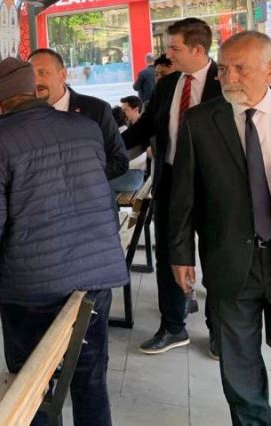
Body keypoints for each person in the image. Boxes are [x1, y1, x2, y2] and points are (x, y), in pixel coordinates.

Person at [0, 57, 128, 426]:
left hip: (32, 284)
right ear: (35, 90)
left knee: (32, 383)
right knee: (90, 378)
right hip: (95, 276)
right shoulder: (85, 128)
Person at [170, 30, 271, 425]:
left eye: (240, 69)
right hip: (229, 260)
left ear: (268, 70)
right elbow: (184, 193)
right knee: (239, 366)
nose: (229, 78)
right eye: (224, 69)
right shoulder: (200, 121)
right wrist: (180, 253)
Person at [122, 17, 221, 357]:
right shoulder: (167, 85)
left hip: (214, 187)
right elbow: (145, 128)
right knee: (168, 255)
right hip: (170, 181)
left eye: (175, 48)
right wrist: (109, 148)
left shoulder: (225, 83)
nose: (167, 55)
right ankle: (173, 327)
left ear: (198, 49)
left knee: (216, 258)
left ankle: (219, 331)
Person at [28, 48, 129, 181]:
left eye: (42, 73)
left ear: (62, 75)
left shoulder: (96, 110)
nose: (35, 81)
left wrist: (80, 179)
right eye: (30, 75)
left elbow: (119, 161)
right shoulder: (24, 117)